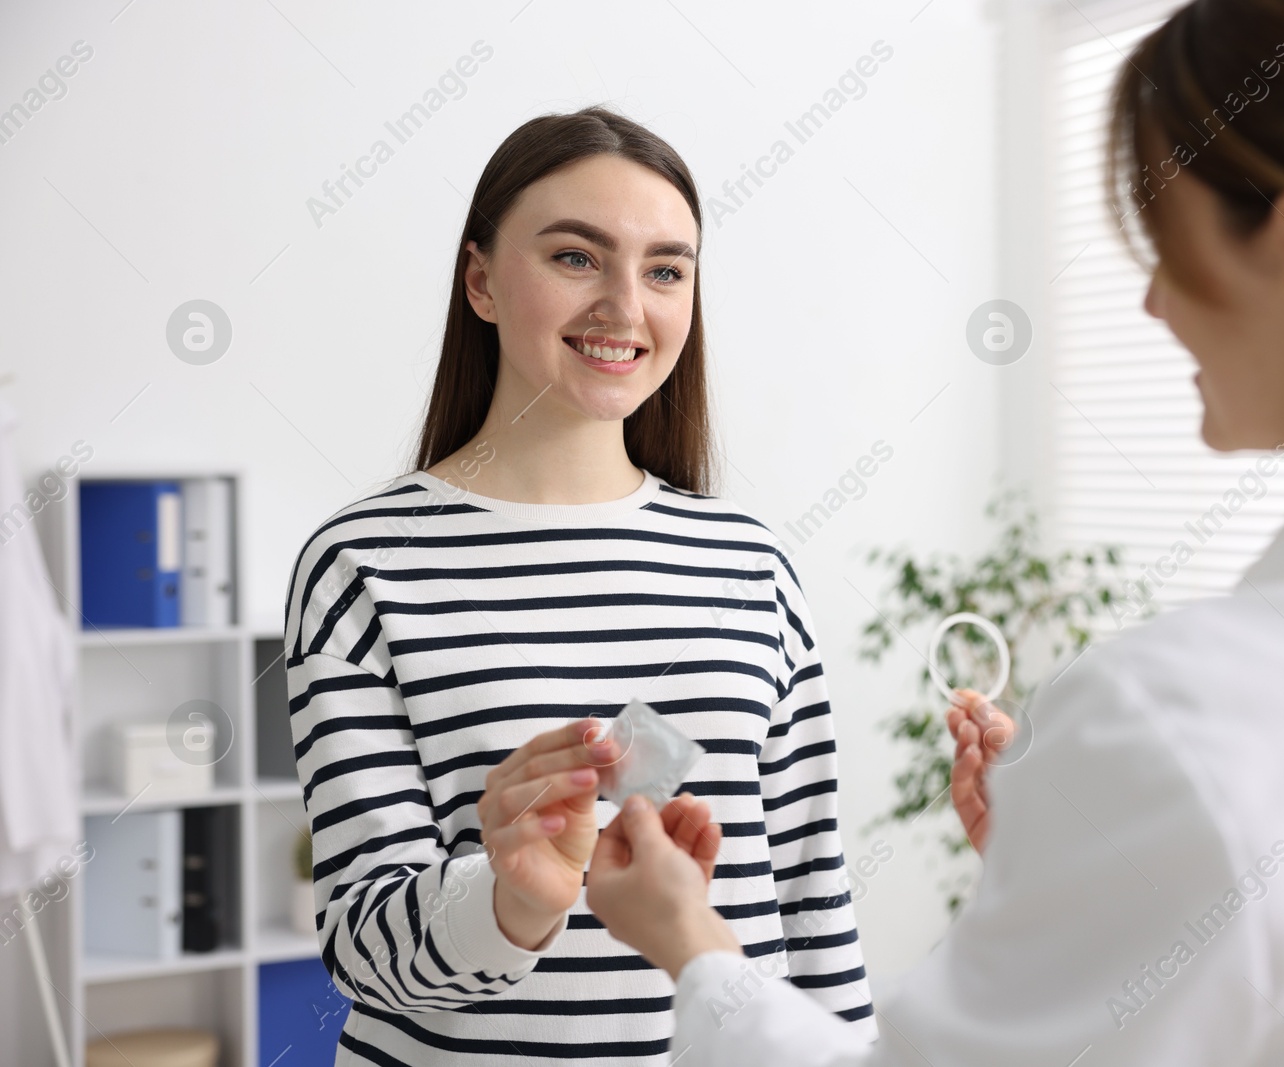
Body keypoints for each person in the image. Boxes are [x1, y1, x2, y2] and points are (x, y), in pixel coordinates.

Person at [582, 1, 1284, 1063]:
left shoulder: (1179, 721)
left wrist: (691, 943)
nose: (1155, 303)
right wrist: (1093, 865)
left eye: (1166, 245)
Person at [283, 107, 875, 1066]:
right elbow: (362, 948)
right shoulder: (364, 563)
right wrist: (512, 900)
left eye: (666, 270)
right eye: (575, 257)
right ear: (479, 279)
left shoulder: (752, 563)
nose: (626, 308)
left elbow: (813, 902)